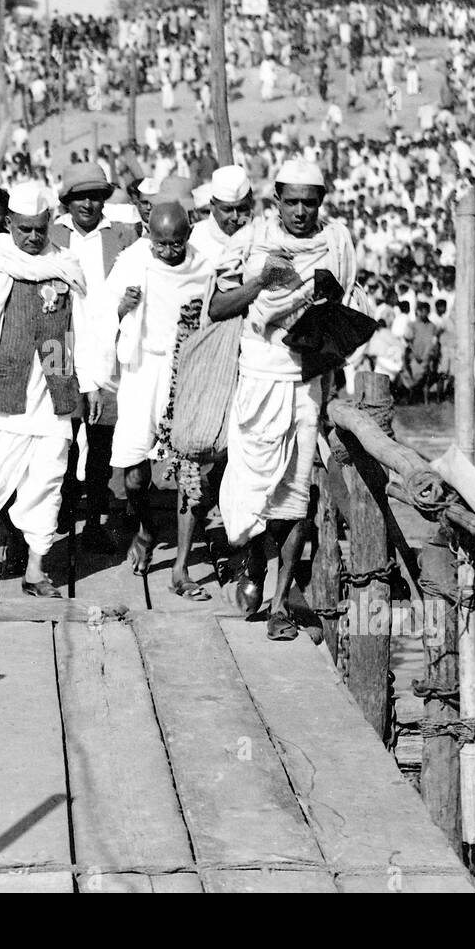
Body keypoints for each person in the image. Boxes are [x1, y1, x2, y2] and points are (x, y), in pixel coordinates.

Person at [209, 158, 356, 641]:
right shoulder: (250, 240)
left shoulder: (335, 244)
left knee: (295, 499)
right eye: (290, 202)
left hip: (306, 384)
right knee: (251, 489)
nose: (299, 212)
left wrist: (323, 303)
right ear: (276, 200)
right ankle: (249, 557)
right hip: (257, 379)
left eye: (308, 203)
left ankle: (279, 605)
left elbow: (345, 313)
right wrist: (261, 285)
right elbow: (217, 306)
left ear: (320, 203)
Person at [0, 182, 105, 598]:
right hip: (6, 387)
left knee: (48, 477)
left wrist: (92, 382)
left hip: (55, 385)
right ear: (9, 223)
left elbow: (84, 328)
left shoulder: (65, 264)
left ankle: (36, 568)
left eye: (39, 229)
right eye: (24, 229)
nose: (32, 238)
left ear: (50, 222)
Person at [104, 200, 214, 597]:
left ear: (188, 236)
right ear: (149, 235)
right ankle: (146, 527)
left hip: (186, 371)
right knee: (134, 472)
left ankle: (182, 567)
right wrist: (123, 306)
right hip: (142, 370)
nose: (168, 252)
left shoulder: (205, 265)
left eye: (175, 243)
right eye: (160, 243)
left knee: (188, 470)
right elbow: (102, 314)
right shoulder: (132, 261)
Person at [50, 162, 139, 550]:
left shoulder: (120, 235)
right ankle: (63, 510)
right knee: (60, 437)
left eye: (96, 195)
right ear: (67, 200)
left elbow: (136, 287)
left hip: (107, 348)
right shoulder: (52, 234)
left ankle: (96, 519)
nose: (88, 203)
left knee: (102, 437)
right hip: (59, 346)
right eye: (80, 196)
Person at [190, 165, 254, 261]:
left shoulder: (264, 235)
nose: (235, 217)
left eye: (242, 209)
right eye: (227, 210)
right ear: (212, 206)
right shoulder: (194, 239)